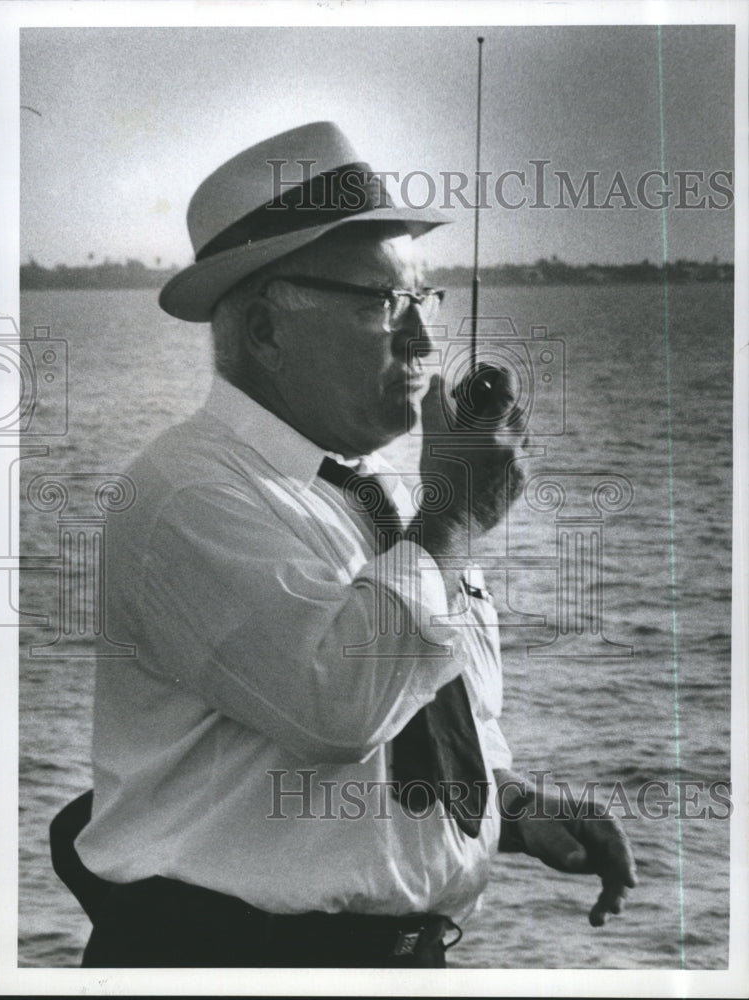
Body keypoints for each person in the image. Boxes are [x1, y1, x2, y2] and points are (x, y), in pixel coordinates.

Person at [50, 121, 636, 969]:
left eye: (423, 300)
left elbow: (415, 721)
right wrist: (451, 521)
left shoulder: (381, 493)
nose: (423, 340)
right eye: (381, 303)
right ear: (265, 330)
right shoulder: (187, 493)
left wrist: (512, 807)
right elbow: (338, 709)